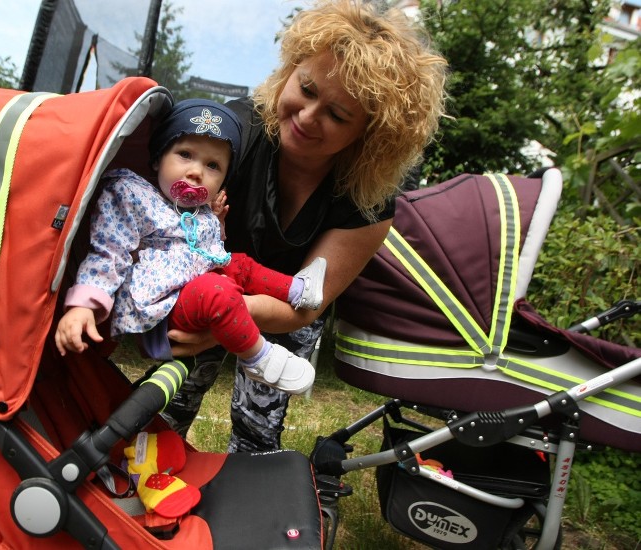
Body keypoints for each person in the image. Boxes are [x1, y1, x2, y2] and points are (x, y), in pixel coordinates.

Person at [162, 0, 448, 452]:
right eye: (307, 88)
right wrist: (211, 311)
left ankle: (251, 498)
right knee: (169, 399)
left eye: (338, 115)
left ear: (370, 133)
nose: (308, 117)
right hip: (208, 283)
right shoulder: (233, 133)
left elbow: (307, 306)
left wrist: (236, 316)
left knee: (257, 428)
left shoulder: (367, 204)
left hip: (286, 306)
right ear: (291, 69)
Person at [54, 98, 327, 395]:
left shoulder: (199, 212)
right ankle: (259, 359)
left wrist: (217, 226)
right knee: (218, 291)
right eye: (185, 154)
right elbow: (110, 251)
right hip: (164, 307)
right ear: (158, 157)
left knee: (240, 263)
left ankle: (299, 290)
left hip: (195, 288)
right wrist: (83, 305)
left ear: (223, 180)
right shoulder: (131, 195)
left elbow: (201, 250)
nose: (197, 172)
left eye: (213, 165)